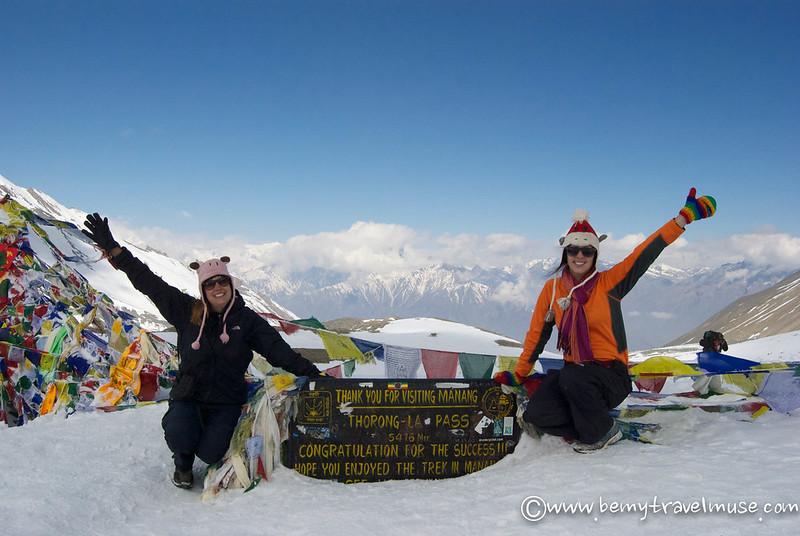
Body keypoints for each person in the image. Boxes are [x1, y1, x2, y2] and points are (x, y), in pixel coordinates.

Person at [82, 213, 324, 488]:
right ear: (202, 288)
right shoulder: (185, 311)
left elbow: (280, 353)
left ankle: (201, 451)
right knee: (180, 435)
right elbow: (148, 282)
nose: (217, 287)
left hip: (226, 401)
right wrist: (115, 251)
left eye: (222, 281)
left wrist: (315, 375)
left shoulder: (247, 322)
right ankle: (182, 463)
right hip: (189, 396)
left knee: (210, 453)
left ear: (231, 285)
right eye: (210, 283)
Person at [496, 188, 716, 453]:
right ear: (565, 253)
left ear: (595, 254)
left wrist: (682, 219)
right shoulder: (552, 290)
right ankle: (589, 425)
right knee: (538, 413)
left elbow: (644, 254)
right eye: (573, 250)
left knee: (573, 379)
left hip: (611, 375)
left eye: (587, 251)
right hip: (575, 376)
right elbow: (537, 335)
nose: (579, 256)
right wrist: (520, 374)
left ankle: (602, 432)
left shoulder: (610, 284)